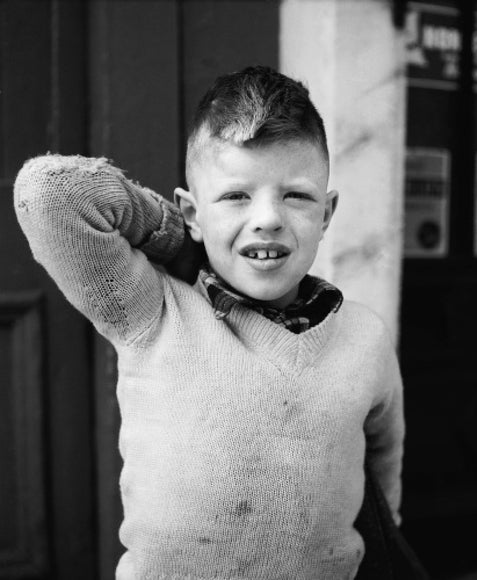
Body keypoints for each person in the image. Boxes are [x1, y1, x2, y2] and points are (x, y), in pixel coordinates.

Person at [14, 65, 404, 580]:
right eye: (236, 196)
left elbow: (384, 462)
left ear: (327, 214)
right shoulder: (152, 311)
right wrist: (181, 242)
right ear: (192, 212)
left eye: (297, 195)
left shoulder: (364, 337)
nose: (267, 217)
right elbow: (49, 191)